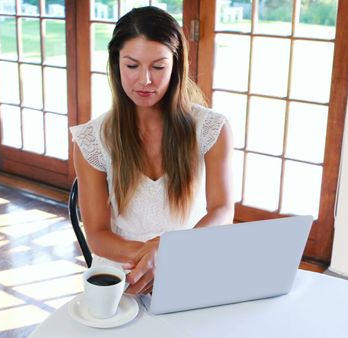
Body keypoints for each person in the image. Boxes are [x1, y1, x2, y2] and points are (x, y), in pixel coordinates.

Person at [71, 6, 235, 296]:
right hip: (122, 273)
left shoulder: (212, 128)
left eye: (158, 67)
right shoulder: (92, 140)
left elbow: (223, 210)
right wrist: (154, 258)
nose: (144, 80)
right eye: (132, 66)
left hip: (192, 261)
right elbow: (96, 234)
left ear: (176, 65)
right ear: (116, 64)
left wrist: (170, 253)